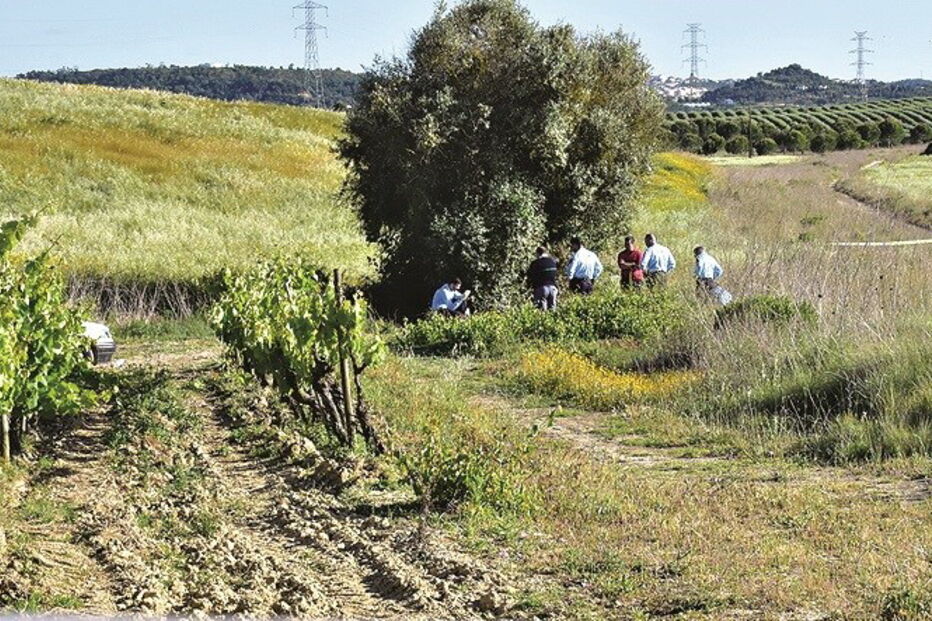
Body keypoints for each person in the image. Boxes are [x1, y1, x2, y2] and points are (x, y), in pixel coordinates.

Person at [527, 246, 559, 311]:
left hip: (542, 288)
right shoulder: (552, 261)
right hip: (553, 288)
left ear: (538, 253)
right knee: (552, 311)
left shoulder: (535, 263)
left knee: (542, 313)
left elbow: (530, 276)